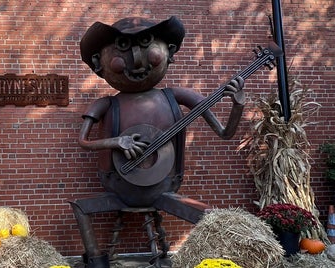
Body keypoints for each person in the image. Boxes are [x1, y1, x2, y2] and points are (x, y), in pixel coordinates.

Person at [71, 16, 245, 268]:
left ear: (170, 52)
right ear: (99, 63)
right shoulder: (106, 104)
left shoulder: (176, 97)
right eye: (123, 49)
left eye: (145, 45)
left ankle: (211, 261)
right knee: (80, 207)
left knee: (212, 218)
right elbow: (83, 141)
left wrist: (238, 106)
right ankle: (97, 261)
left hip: (163, 191)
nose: (137, 60)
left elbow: (225, 133)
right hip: (121, 191)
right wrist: (117, 141)